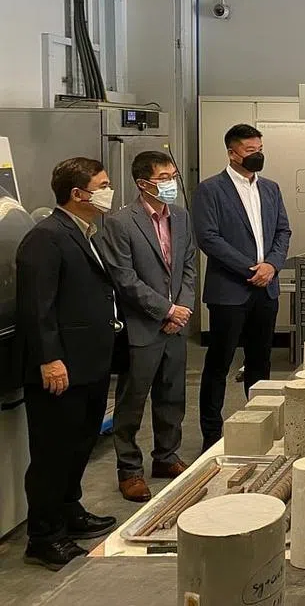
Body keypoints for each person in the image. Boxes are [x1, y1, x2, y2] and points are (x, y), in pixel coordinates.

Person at [15, 157, 118, 570]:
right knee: (52, 453)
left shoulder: (86, 232)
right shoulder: (46, 237)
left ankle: (69, 510)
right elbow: (37, 307)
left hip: (89, 363)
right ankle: (44, 536)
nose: (109, 192)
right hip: (60, 367)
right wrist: (50, 359)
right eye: (102, 186)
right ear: (77, 194)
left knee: (79, 444)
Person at [100, 151, 196, 503]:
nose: (172, 184)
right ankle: (129, 471)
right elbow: (124, 279)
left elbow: (188, 267)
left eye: (173, 176)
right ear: (143, 184)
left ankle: (166, 457)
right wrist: (166, 310)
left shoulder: (181, 217)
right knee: (132, 402)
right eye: (164, 178)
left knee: (172, 397)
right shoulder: (120, 223)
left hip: (177, 326)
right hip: (142, 327)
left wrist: (182, 309)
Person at [193, 124, 291, 450]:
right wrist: (251, 269)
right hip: (230, 291)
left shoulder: (271, 189)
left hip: (266, 289)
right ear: (232, 153)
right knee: (219, 364)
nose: (257, 155)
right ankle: (211, 433)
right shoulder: (210, 190)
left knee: (260, 361)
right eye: (250, 151)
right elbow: (208, 238)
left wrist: (271, 266)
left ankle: (259, 425)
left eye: (260, 149)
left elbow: (283, 231)